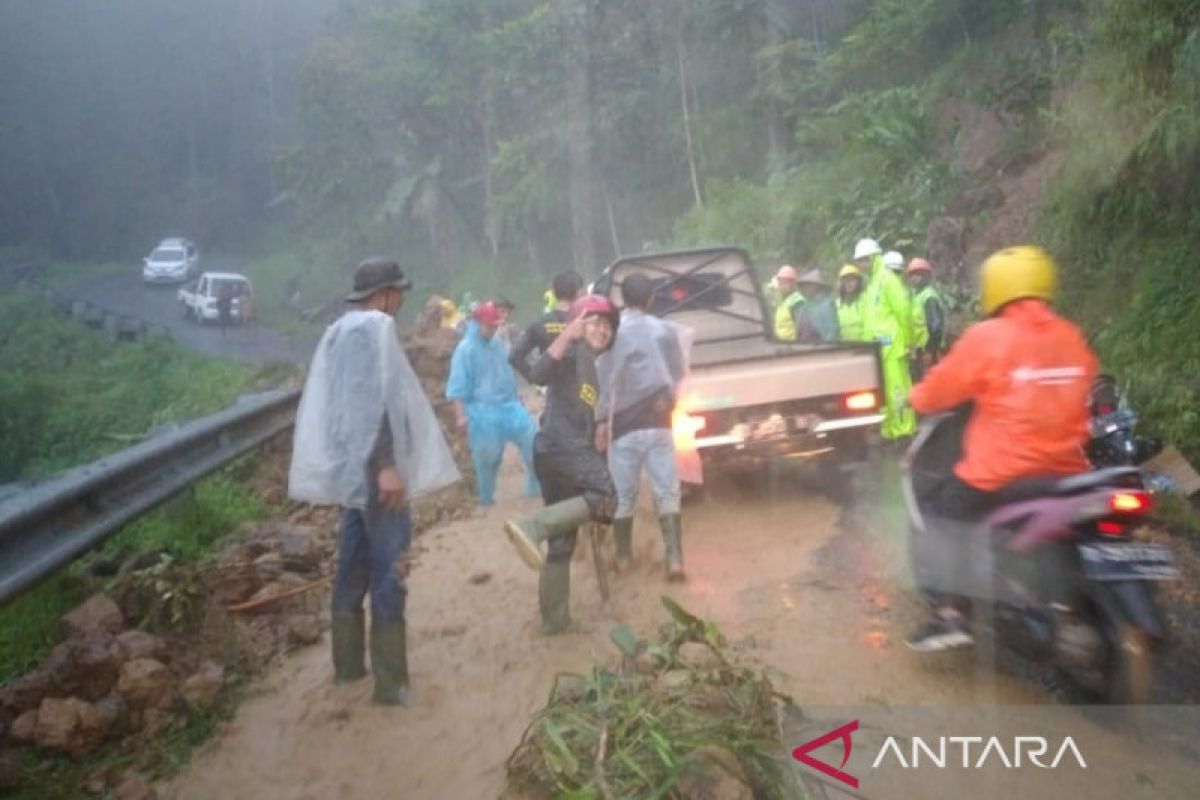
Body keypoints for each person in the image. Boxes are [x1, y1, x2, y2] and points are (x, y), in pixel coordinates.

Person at [904, 245, 1099, 652]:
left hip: (1002, 473)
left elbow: (941, 388)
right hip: (1068, 471)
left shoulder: (987, 337)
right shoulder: (1071, 335)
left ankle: (948, 615)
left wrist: (917, 398)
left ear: (995, 287)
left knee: (939, 512)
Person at [288, 257, 460, 705]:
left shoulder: (338, 331)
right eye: (398, 291)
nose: (401, 300)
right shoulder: (374, 330)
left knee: (353, 565)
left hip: (352, 472)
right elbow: (373, 402)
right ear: (384, 294)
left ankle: (347, 669)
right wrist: (386, 465)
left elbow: (343, 407)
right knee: (391, 567)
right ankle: (390, 683)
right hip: (376, 473)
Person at [502, 295, 620, 633]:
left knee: (563, 540)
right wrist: (567, 335)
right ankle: (532, 525)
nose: (602, 330)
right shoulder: (571, 350)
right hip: (562, 446)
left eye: (607, 326)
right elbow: (538, 373)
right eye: (594, 322)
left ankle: (554, 623)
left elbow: (581, 409)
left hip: (559, 450)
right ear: (578, 323)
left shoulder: (589, 364)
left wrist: (598, 430)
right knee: (606, 496)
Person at [596, 274, 688, 580]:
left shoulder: (614, 333)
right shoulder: (664, 329)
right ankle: (674, 560)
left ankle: (623, 559)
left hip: (625, 426)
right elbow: (678, 371)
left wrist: (598, 422)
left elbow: (603, 383)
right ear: (649, 299)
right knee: (666, 491)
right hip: (660, 419)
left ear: (623, 299)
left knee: (623, 495)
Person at [446, 302, 540, 505]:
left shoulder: (498, 345)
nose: (493, 329)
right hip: (481, 411)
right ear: (477, 323)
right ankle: (486, 498)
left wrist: (517, 398)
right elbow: (457, 386)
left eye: (495, 326)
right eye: (489, 326)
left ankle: (535, 486)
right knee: (488, 457)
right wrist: (461, 415)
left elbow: (507, 374)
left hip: (508, 406)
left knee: (533, 439)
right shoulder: (465, 350)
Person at [853, 237, 916, 443]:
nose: (862, 264)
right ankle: (889, 431)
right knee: (885, 396)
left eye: (864, 259)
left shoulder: (887, 279)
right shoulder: (872, 284)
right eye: (859, 260)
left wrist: (909, 342)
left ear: (874, 257)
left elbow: (904, 311)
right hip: (878, 350)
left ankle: (904, 431)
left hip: (894, 348)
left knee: (898, 392)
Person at [510, 270, 584, 385]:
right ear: (579, 292)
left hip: (554, 393)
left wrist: (534, 376)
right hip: (585, 392)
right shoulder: (586, 322)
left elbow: (514, 356)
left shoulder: (540, 323)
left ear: (554, 293)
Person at [905, 257, 946, 382]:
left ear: (925, 276)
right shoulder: (915, 296)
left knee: (931, 381)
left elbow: (936, 328)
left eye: (918, 274)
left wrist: (929, 350)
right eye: (912, 275)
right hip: (919, 350)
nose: (914, 278)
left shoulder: (929, 297)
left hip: (930, 350)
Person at [792, 268, 839, 344]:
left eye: (809, 285)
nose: (805, 288)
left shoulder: (827, 305)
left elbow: (832, 332)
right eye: (804, 285)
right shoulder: (803, 306)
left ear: (818, 286)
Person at [836, 264, 867, 342]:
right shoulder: (836, 305)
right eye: (846, 281)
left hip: (864, 347)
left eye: (852, 280)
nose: (849, 284)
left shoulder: (866, 301)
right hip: (843, 349)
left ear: (859, 282)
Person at [772, 265, 804, 341]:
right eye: (780, 283)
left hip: (792, 346)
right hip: (782, 345)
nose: (781, 286)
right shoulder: (783, 301)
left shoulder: (797, 302)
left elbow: (802, 328)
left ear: (793, 283)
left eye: (784, 283)